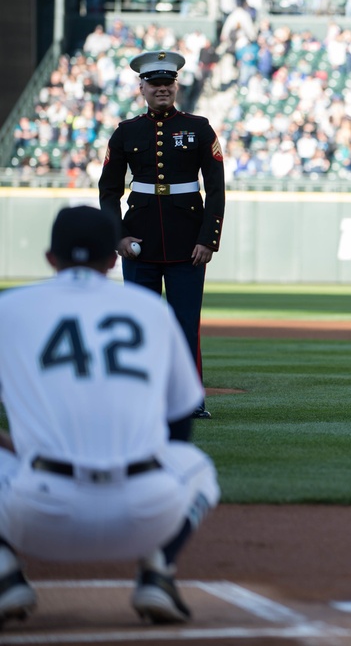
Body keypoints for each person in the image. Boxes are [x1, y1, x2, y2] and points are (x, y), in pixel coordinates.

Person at [0, 206, 220, 626]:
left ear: (50, 258)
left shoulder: (9, 309)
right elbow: (180, 421)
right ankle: (158, 571)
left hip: (38, 518)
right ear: (113, 259)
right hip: (143, 515)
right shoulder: (150, 310)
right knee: (197, 469)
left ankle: (6, 574)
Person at [99, 50, 226, 420]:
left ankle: (189, 399)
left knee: (186, 322)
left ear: (176, 85)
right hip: (140, 242)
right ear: (141, 87)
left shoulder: (200, 128)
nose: (162, 89)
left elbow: (216, 189)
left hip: (189, 243)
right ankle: (141, 398)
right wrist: (118, 236)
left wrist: (208, 239)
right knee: (139, 325)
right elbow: (109, 191)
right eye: (154, 83)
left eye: (167, 83)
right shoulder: (126, 132)